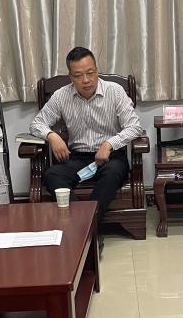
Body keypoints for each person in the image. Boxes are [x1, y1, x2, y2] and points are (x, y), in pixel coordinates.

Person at [29, 46, 144, 217]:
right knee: (52, 174)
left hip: (110, 158)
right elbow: (36, 124)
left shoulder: (115, 91)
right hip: (77, 158)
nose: (86, 80)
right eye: (78, 76)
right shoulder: (61, 95)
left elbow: (135, 127)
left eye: (90, 73)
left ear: (97, 70)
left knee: (112, 172)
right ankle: (84, 222)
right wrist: (51, 136)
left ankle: (83, 225)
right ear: (71, 77)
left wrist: (109, 144)